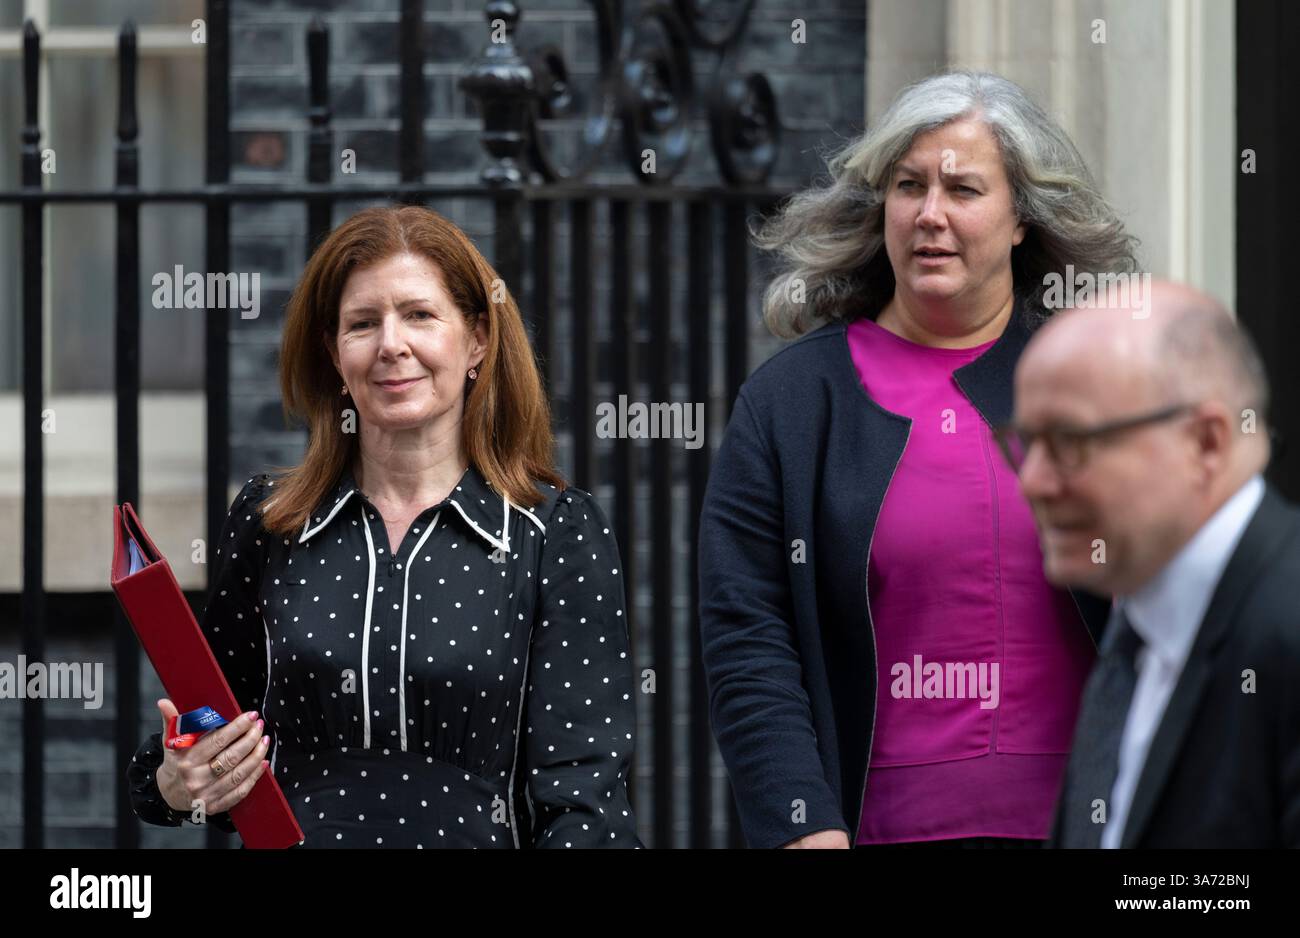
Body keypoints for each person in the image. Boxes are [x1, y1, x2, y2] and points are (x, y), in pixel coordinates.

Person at [698, 70, 1138, 849]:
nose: (930, 215)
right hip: (877, 833)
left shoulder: (1096, 389)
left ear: (1020, 221)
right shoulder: (793, 404)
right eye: (908, 186)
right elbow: (748, 636)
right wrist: (803, 824)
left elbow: (1176, 608)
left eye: (963, 189)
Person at [127, 205, 641, 848]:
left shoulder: (551, 531)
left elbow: (584, 802)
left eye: (420, 315)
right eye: (362, 323)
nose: (391, 345)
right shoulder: (271, 521)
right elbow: (208, 746)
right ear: (334, 354)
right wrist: (182, 782)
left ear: (477, 339)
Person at [1001, 279, 1300, 847]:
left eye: (1069, 441)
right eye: (1024, 443)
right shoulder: (1133, 631)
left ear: (1206, 443)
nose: (1032, 482)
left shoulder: (1283, 629)